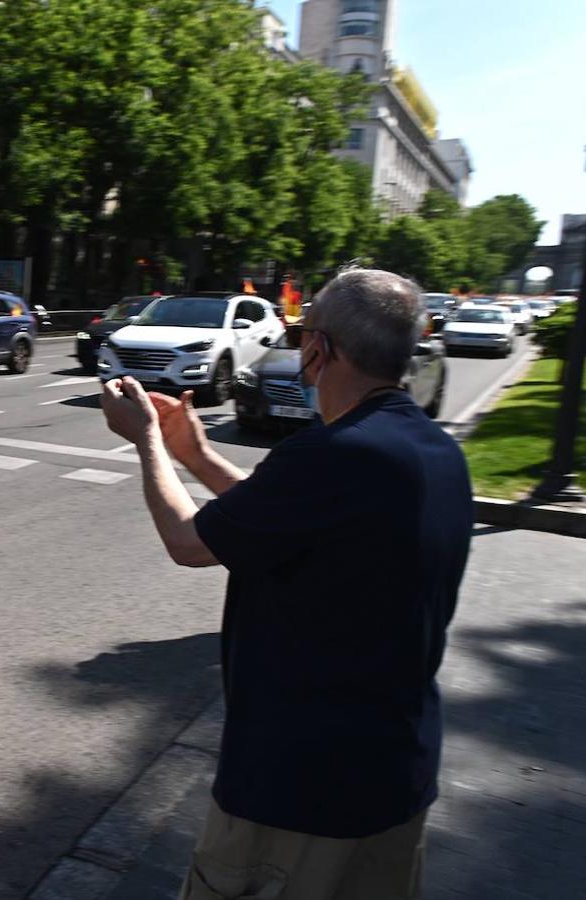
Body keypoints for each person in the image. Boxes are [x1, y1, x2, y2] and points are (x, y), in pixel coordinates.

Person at [101, 268, 472, 899]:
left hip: (299, 791)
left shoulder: (334, 454)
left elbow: (188, 542)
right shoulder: (435, 453)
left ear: (318, 350)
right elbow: (279, 516)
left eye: (304, 335)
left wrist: (146, 441)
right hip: (395, 780)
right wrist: (193, 454)